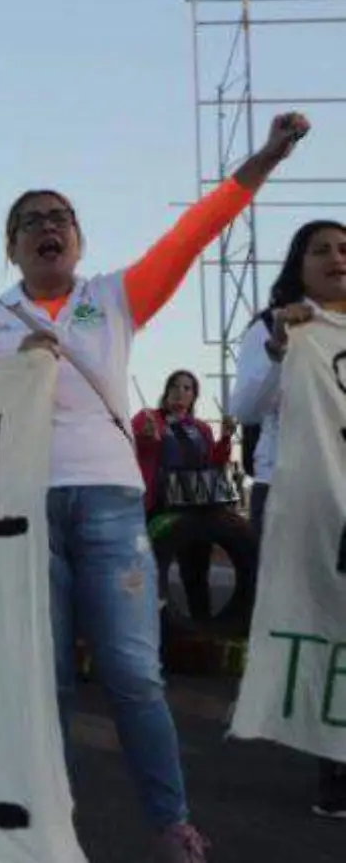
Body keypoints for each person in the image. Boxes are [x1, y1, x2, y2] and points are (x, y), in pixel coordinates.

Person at [0, 110, 311, 862]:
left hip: (111, 504)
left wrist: (267, 156)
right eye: (29, 220)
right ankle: (52, 825)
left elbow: (196, 230)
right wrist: (13, 364)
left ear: (77, 239)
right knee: (45, 683)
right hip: (21, 511)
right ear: (10, 246)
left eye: (60, 217)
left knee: (135, 675)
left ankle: (170, 821)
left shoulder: (115, 296)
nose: (47, 226)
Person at [228, 217, 346, 819]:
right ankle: (334, 763)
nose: (336, 257)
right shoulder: (274, 326)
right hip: (297, 490)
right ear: (298, 264)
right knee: (322, 620)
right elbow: (242, 406)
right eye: (320, 249)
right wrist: (279, 348)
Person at [132, 371, 248, 624]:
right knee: (149, 569)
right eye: (175, 386)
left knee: (196, 571)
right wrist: (146, 438)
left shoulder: (201, 429)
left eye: (187, 388)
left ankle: (203, 627)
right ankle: (150, 624)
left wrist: (226, 437)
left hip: (195, 504)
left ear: (194, 396)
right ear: (166, 391)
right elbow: (134, 446)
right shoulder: (148, 418)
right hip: (159, 504)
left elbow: (213, 463)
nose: (180, 393)